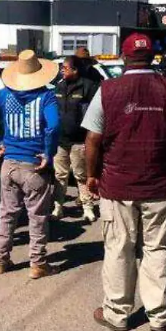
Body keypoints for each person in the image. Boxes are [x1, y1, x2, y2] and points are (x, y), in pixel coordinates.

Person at [83, 32, 166, 331]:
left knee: (119, 248)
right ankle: (159, 315)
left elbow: (92, 139)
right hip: (161, 187)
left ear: (123, 57)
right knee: (157, 250)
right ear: (153, 58)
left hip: (118, 186)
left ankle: (117, 314)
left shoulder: (108, 90)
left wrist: (91, 175)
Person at [0, 49, 60, 279]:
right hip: (33, 164)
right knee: (37, 216)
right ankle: (38, 263)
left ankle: (1, 260)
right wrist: (48, 153)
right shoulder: (46, 97)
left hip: (9, 163)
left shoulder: (4, 95)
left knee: (7, 213)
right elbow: (52, 126)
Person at [52, 56, 99, 221]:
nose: (62, 70)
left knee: (81, 175)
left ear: (75, 70)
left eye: (65, 67)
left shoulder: (88, 87)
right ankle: (58, 207)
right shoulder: (59, 86)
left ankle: (87, 207)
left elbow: (96, 113)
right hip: (60, 140)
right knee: (60, 175)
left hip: (79, 140)